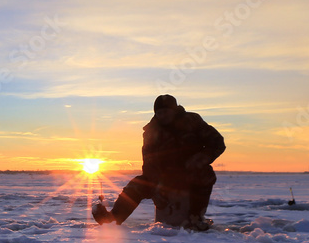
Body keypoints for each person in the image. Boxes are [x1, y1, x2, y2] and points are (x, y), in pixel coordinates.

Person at [93, 94, 224, 230]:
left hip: (190, 172)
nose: (163, 115)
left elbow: (217, 142)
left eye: (166, 111)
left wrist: (200, 158)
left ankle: (195, 219)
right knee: (137, 185)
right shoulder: (151, 131)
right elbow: (149, 162)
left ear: (174, 110)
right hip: (163, 176)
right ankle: (113, 219)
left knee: (205, 175)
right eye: (159, 113)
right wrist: (157, 187)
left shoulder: (192, 121)